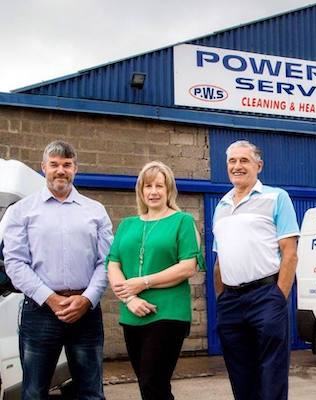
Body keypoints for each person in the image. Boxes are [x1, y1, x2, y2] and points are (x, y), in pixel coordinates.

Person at [3, 140, 113, 400]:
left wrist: (87, 299)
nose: (60, 170)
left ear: (75, 169)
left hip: (85, 313)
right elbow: (15, 263)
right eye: (54, 164)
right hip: (40, 311)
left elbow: (107, 261)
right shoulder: (22, 211)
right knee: (33, 392)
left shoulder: (95, 211)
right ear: (44, 168)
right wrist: (51, 299)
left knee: (91, 392)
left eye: (67, 165)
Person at [106, 160, 204, 400]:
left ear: (169, 189)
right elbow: (113, 264)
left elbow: (187, 267)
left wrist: (143, 283)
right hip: (132, 312)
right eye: (147, 186)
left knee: (153, 382)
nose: (153, 191)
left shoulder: (182, 221)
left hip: (168, 313)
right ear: (140, 190)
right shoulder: (128, 224)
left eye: (159, 186)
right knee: (147, 385)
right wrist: (129, 298)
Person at [213, 140, 299, 400]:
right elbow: (219, 260)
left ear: (258, 165)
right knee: (240, 376)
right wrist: (222, 298)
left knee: (271, 375)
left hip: (265, 296)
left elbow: (290, 253)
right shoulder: (221, 206)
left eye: (244, 160)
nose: (237, 166)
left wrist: (277, 298)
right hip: (230, 301)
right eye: (232, 161)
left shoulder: (276, 197)